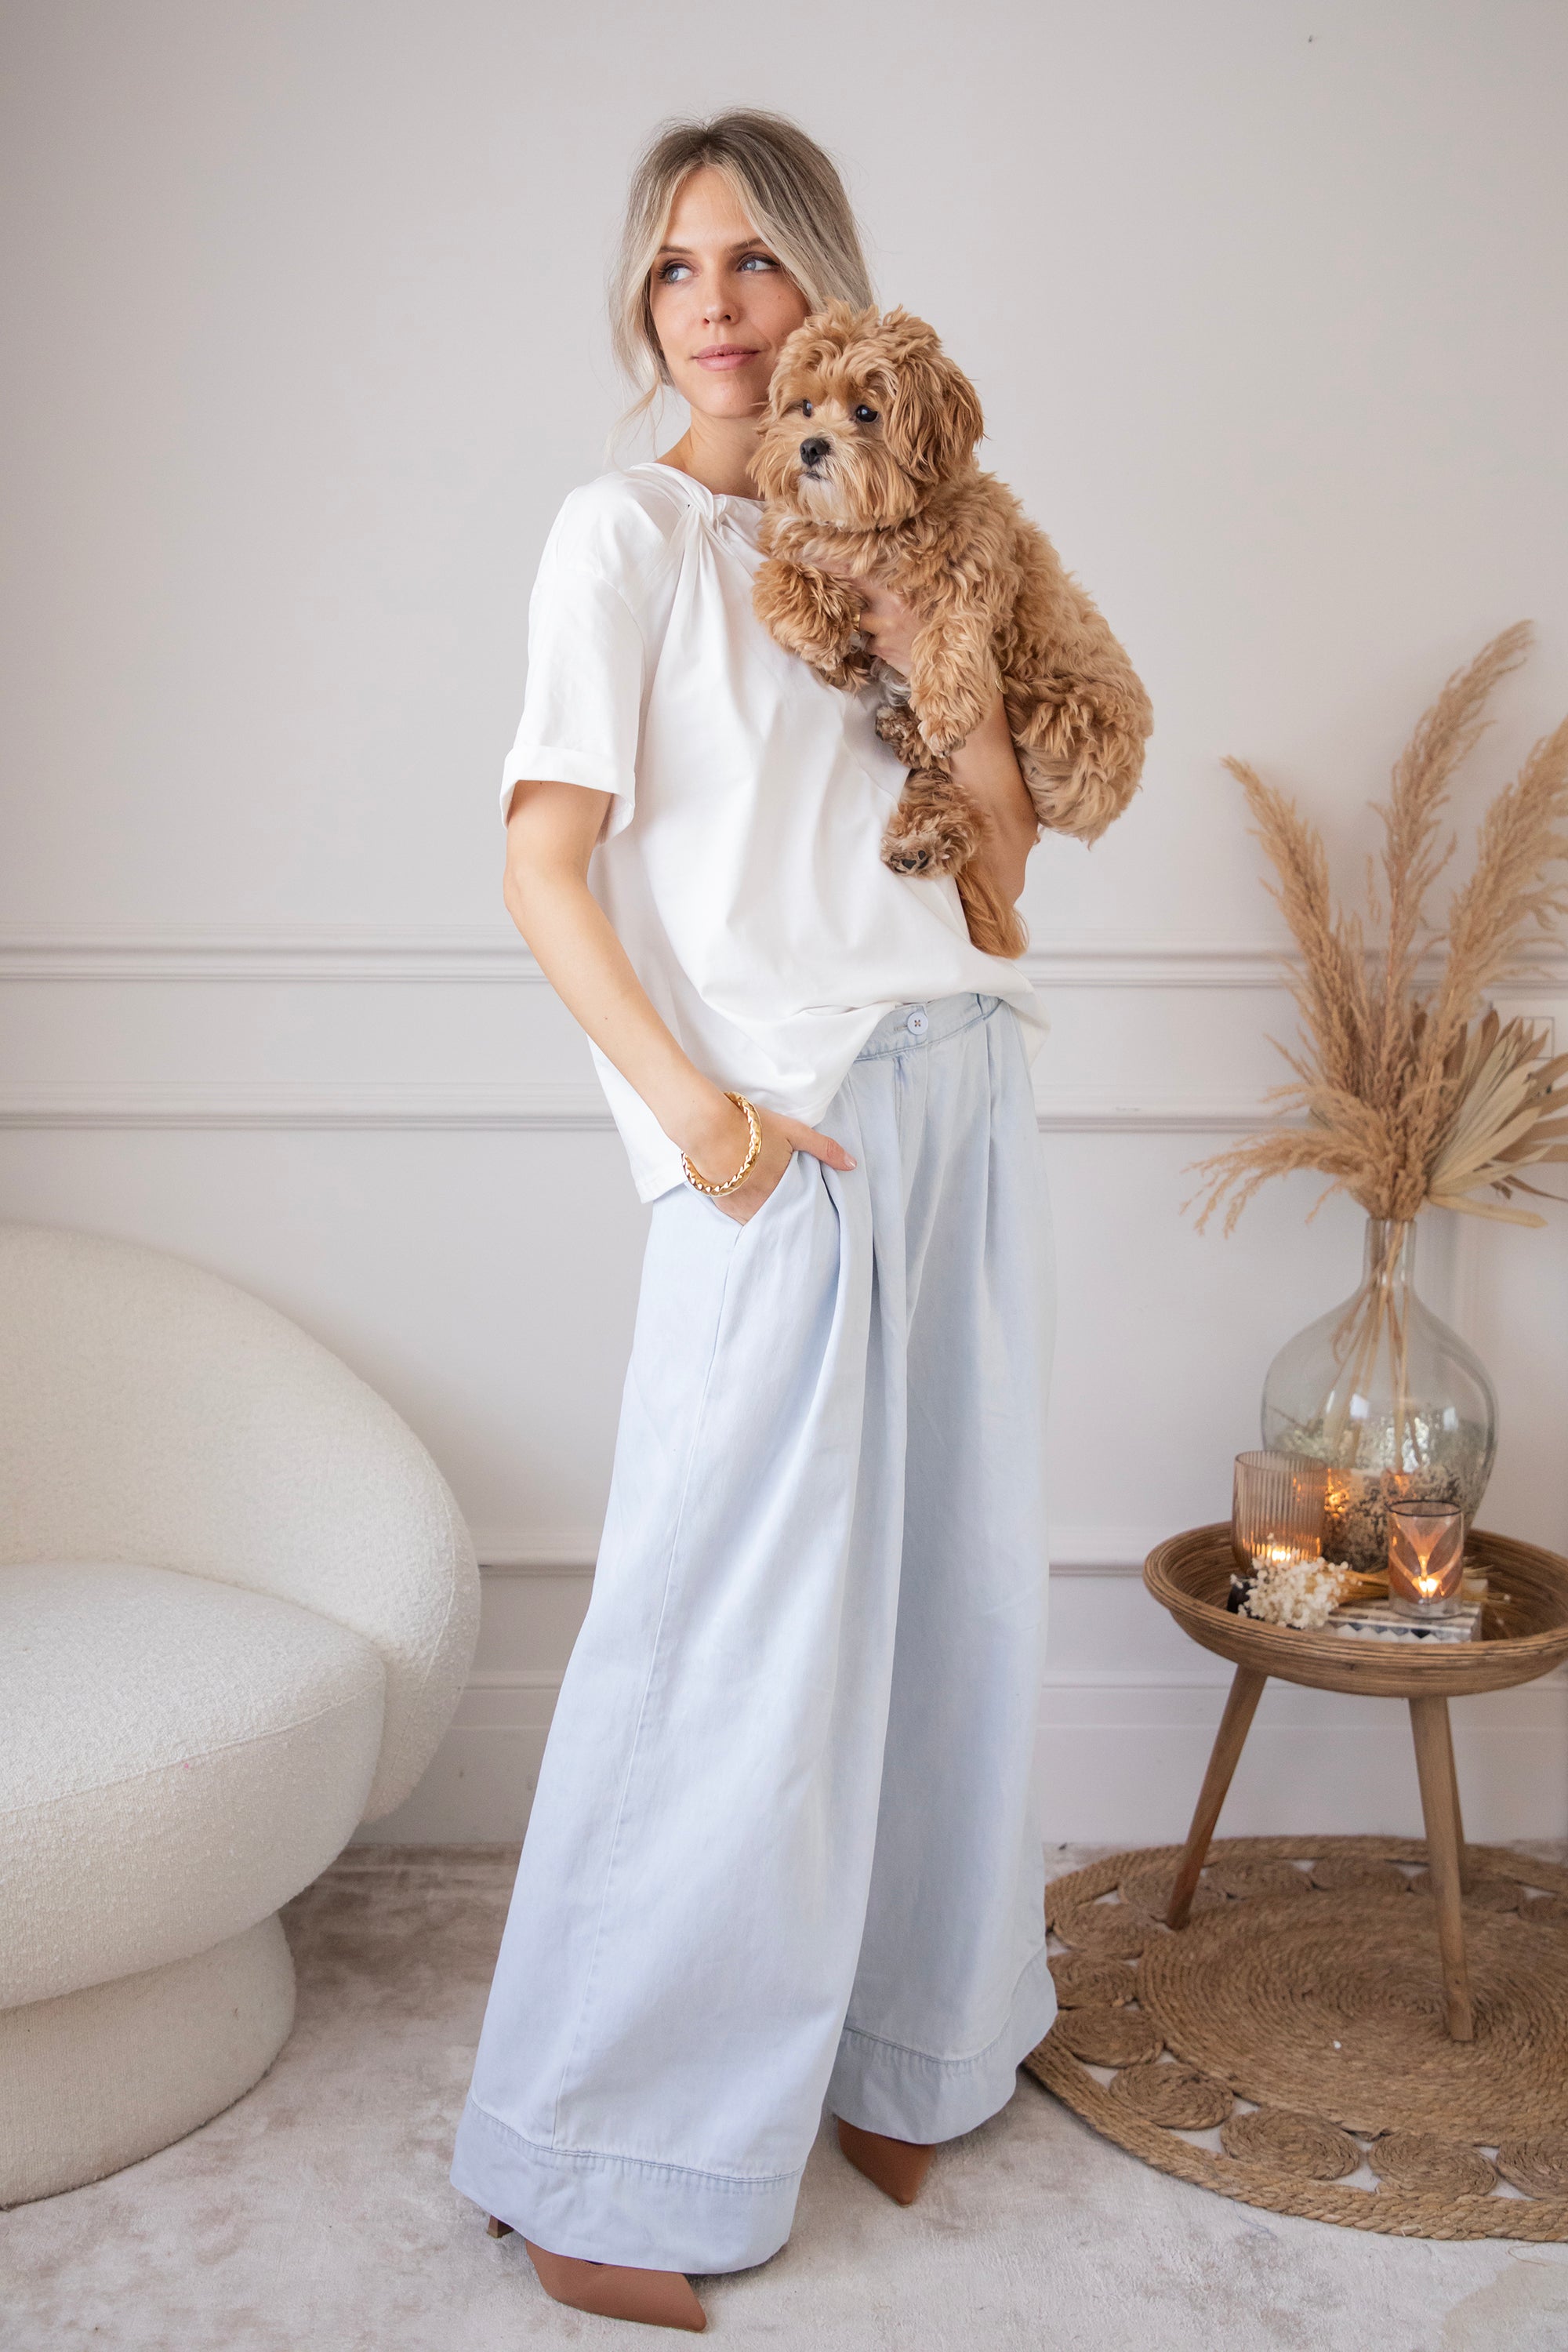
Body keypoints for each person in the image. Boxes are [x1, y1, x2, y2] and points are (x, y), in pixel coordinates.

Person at [450, 109, 1058, 2333]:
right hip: (784, 1125)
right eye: (675, 268)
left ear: (829, 289)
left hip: (963, 1077)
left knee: (955, 1598)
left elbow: (1002, 862)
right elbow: (542, 862)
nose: (713, 307)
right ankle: (606, 2143)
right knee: (722, 1634)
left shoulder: (920, 524)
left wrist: (933, 642)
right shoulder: (617, 536)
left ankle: (916, 2049)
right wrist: (699, 1120)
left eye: (754, 263)